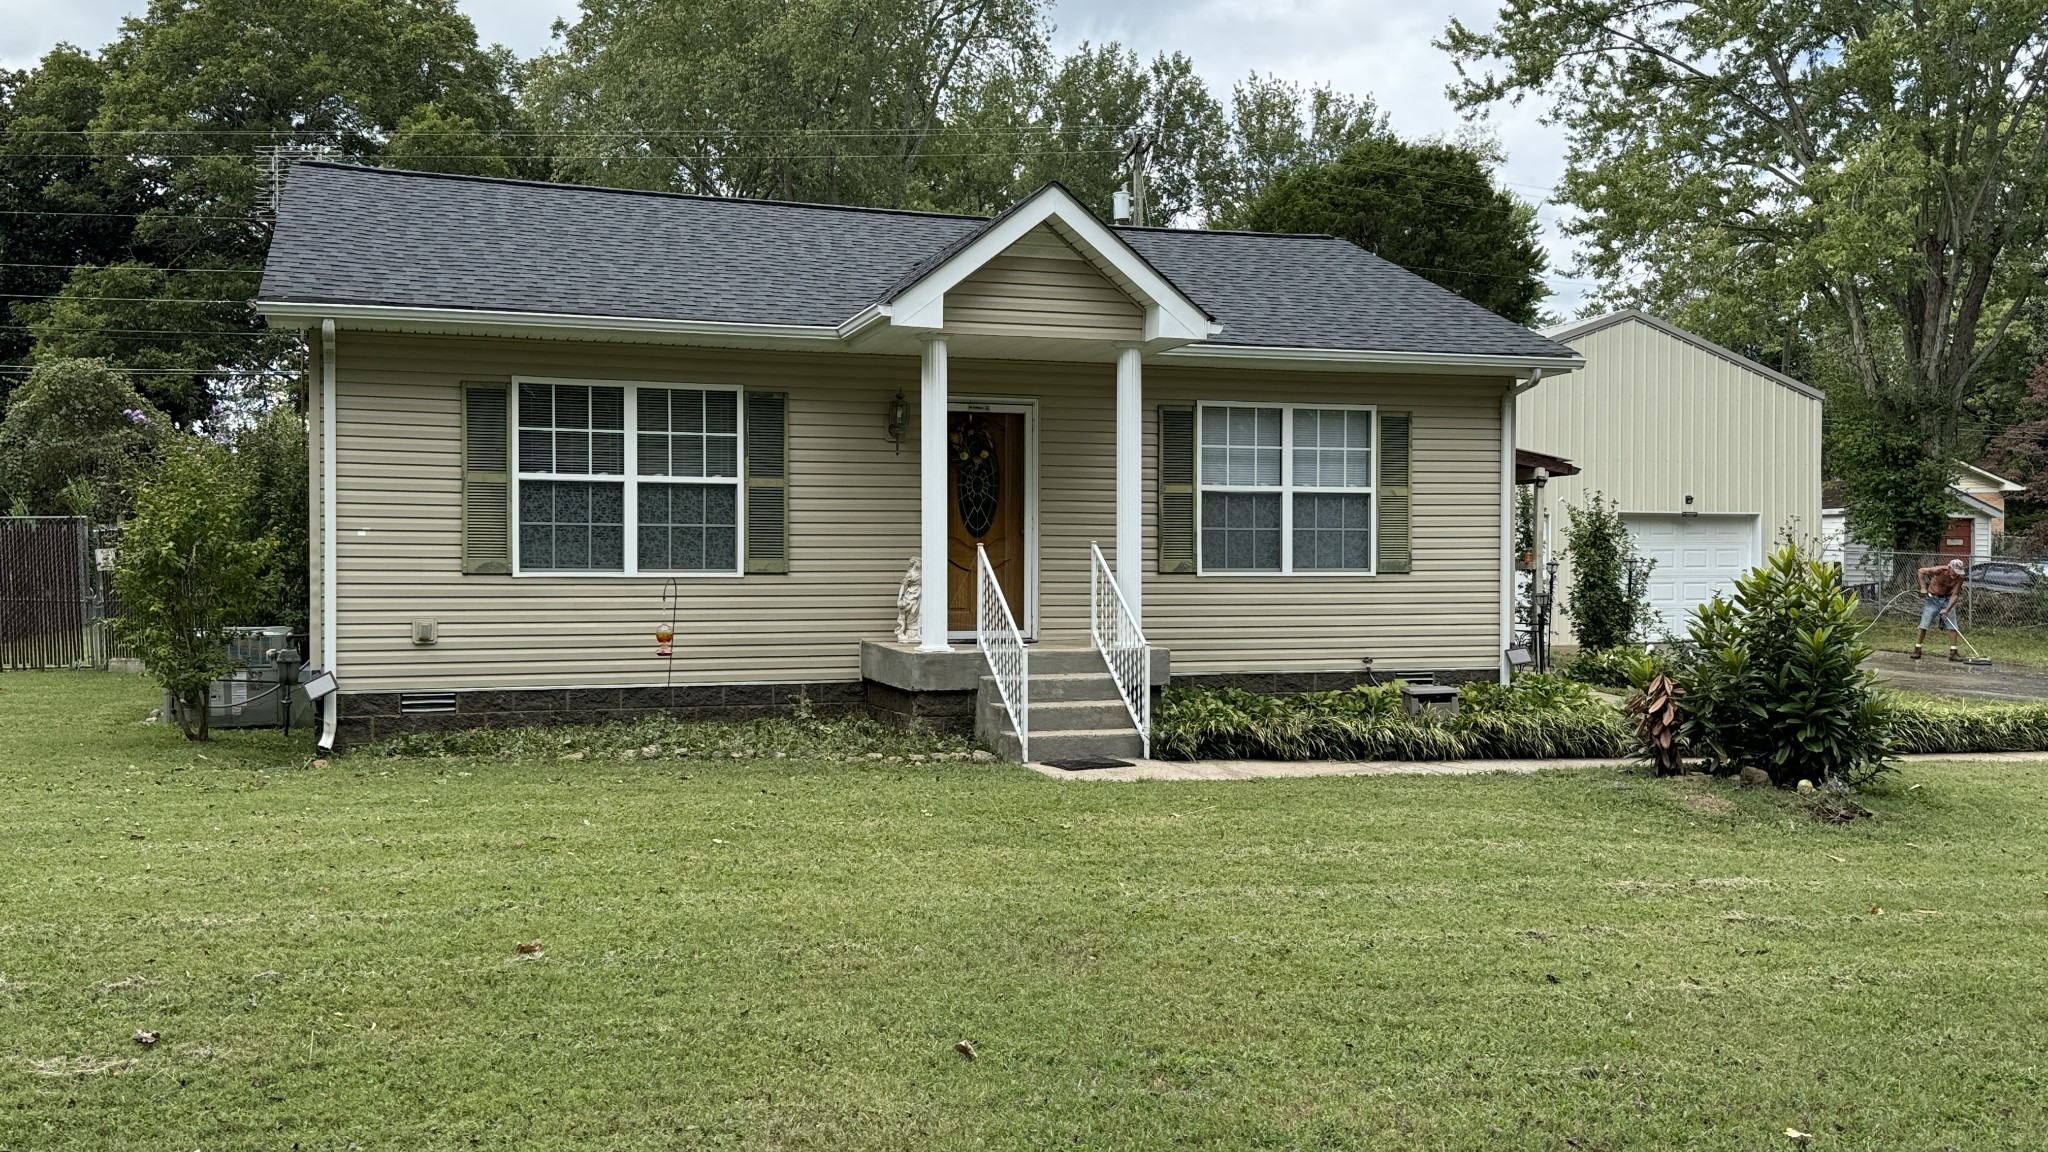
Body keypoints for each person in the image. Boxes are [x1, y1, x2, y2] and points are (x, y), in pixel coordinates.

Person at [1913, 558, 1967, 661]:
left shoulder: (1960, 578)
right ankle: (1917, 650)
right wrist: (1923, 587)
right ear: (1949, 568)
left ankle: (1953, 653)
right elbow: (1921, 571)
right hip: (1932, 599)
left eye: (1958, 572)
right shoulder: (1939, 570)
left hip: (1946, 599)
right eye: (1954, 571)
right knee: (1924, 624)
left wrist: (1947, 608)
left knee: (1953, 626)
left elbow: (1955, 594)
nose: (1956, 574)